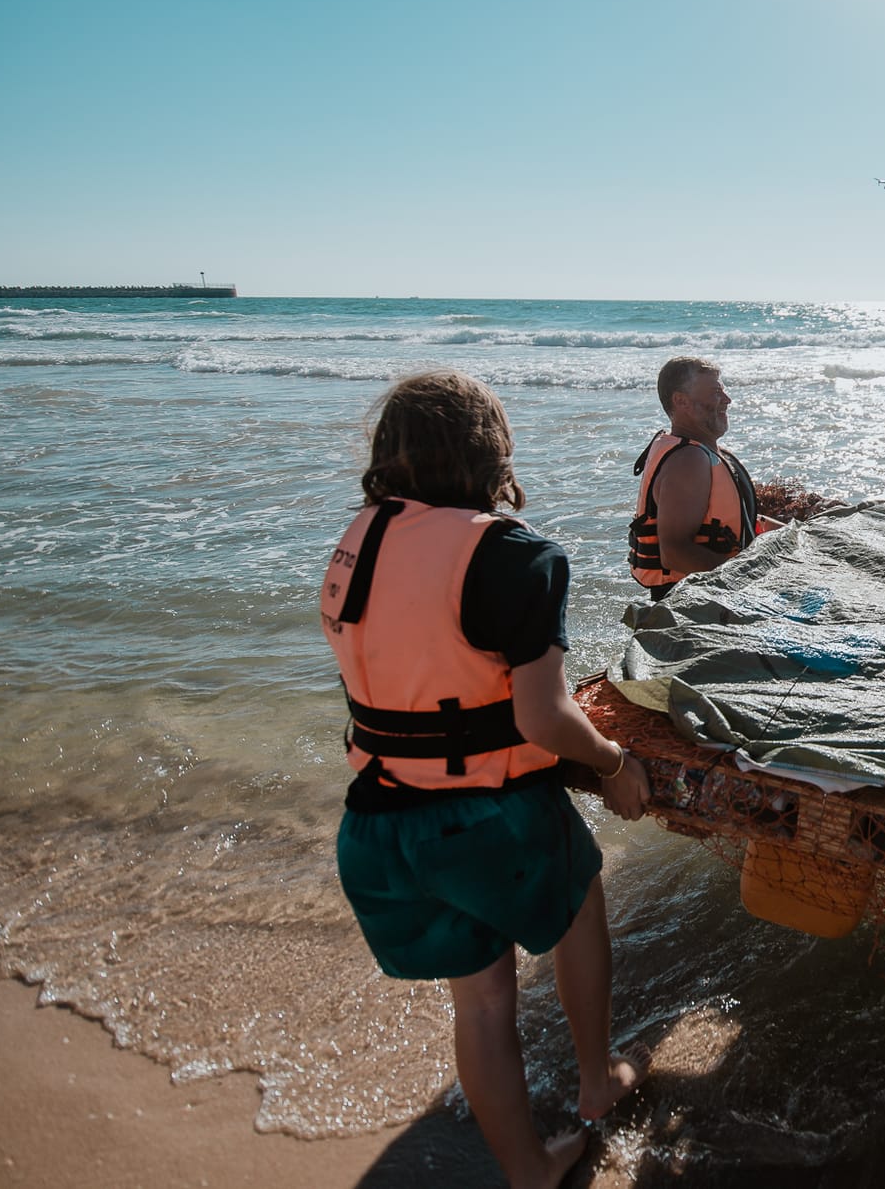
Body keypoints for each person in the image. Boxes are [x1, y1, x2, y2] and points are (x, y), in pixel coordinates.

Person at [321, 371, 653, 1189]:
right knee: (579, 901)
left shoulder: (357, 540)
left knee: (481, 1002)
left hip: (379, 825)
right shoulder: (515, 556)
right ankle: (596, 1077)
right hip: (489, 821)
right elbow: (542, 717)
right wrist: (614, 764)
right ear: (489, 451)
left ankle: (528, 1169)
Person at [628, 356, 765, 599]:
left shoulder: (706, 452)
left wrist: (799, 534)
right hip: (692, 603)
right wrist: (750, 579)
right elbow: (674, 553)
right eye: (715, 393)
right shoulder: (688, 460)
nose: (727, 400)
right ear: (681, 401)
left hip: (717, 594)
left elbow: (738, 520)